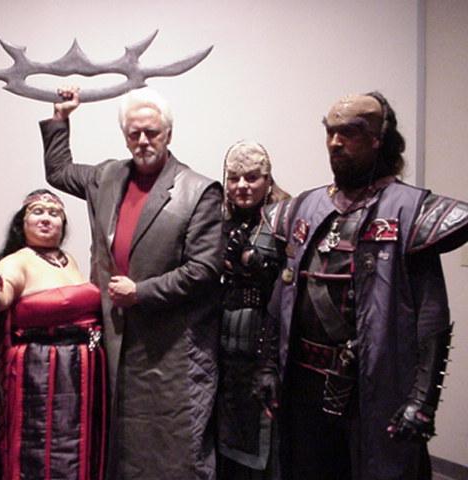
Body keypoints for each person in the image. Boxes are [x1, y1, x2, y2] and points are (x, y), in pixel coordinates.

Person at [263, 92, 468, 479]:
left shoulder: (410, 211)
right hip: (304, 386)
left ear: (378, 138)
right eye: (331, 131)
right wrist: (269, 368)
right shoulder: (302, 208)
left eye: (350, 132)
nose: (335, 142)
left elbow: (432, 317)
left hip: (375, 386)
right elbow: (282, 297)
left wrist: (422, 400)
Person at [40, 86, 224, 479]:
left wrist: (141, 292)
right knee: (123, 450)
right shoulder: (107, 177)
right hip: (117, 339)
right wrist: (60, 118)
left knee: (175, 450)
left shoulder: (198, 191)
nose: (143, 141)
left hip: (173, 347)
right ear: (125, 136)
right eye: (134, 133)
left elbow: (204, 270)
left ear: (168, 134)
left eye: (151, 132)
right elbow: (58, 171)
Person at [0, 189, 106, 480]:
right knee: (41, 457)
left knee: (81, 457)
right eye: (37, 212)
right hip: (39, 375)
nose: (46, 219)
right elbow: (2, 293)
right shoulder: (16, 261)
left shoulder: (68, 260)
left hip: (84, 375)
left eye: (54, 214)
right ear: (22, 223)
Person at [217, 141, 290, 479]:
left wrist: (255, 261)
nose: (242, 186)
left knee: (265, 444)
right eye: (234, 178)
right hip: (222, 345)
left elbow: (289, 286)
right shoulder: (218, 222)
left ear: (267, 179)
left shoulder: (284, 221)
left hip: (265, 342)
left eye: (251, 177)